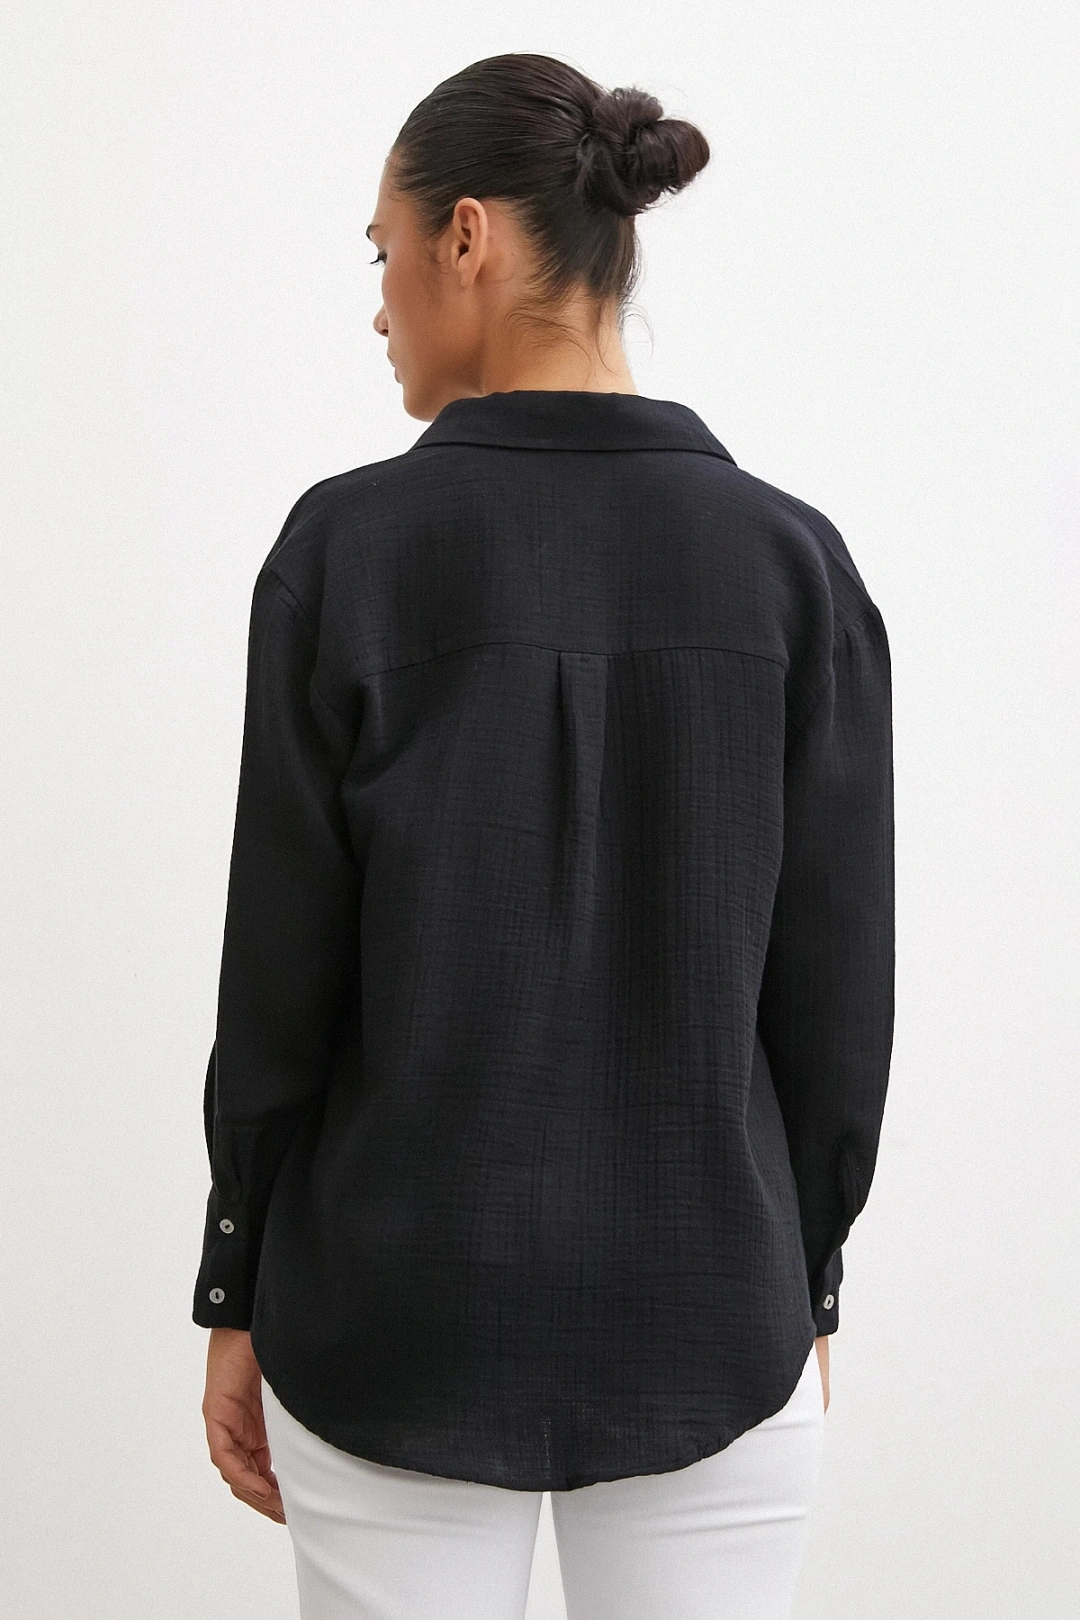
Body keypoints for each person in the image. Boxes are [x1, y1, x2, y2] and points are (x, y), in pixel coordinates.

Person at [194, 51, 895, 1620]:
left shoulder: (345, 554)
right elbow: (838, 1008)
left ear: (467, 238)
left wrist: (235, 1280)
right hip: (715, 1318)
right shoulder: (794, 569)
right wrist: (808, 1276)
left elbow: (279, 984)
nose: (378, 305)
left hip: (389, 1319)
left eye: (382, 252)